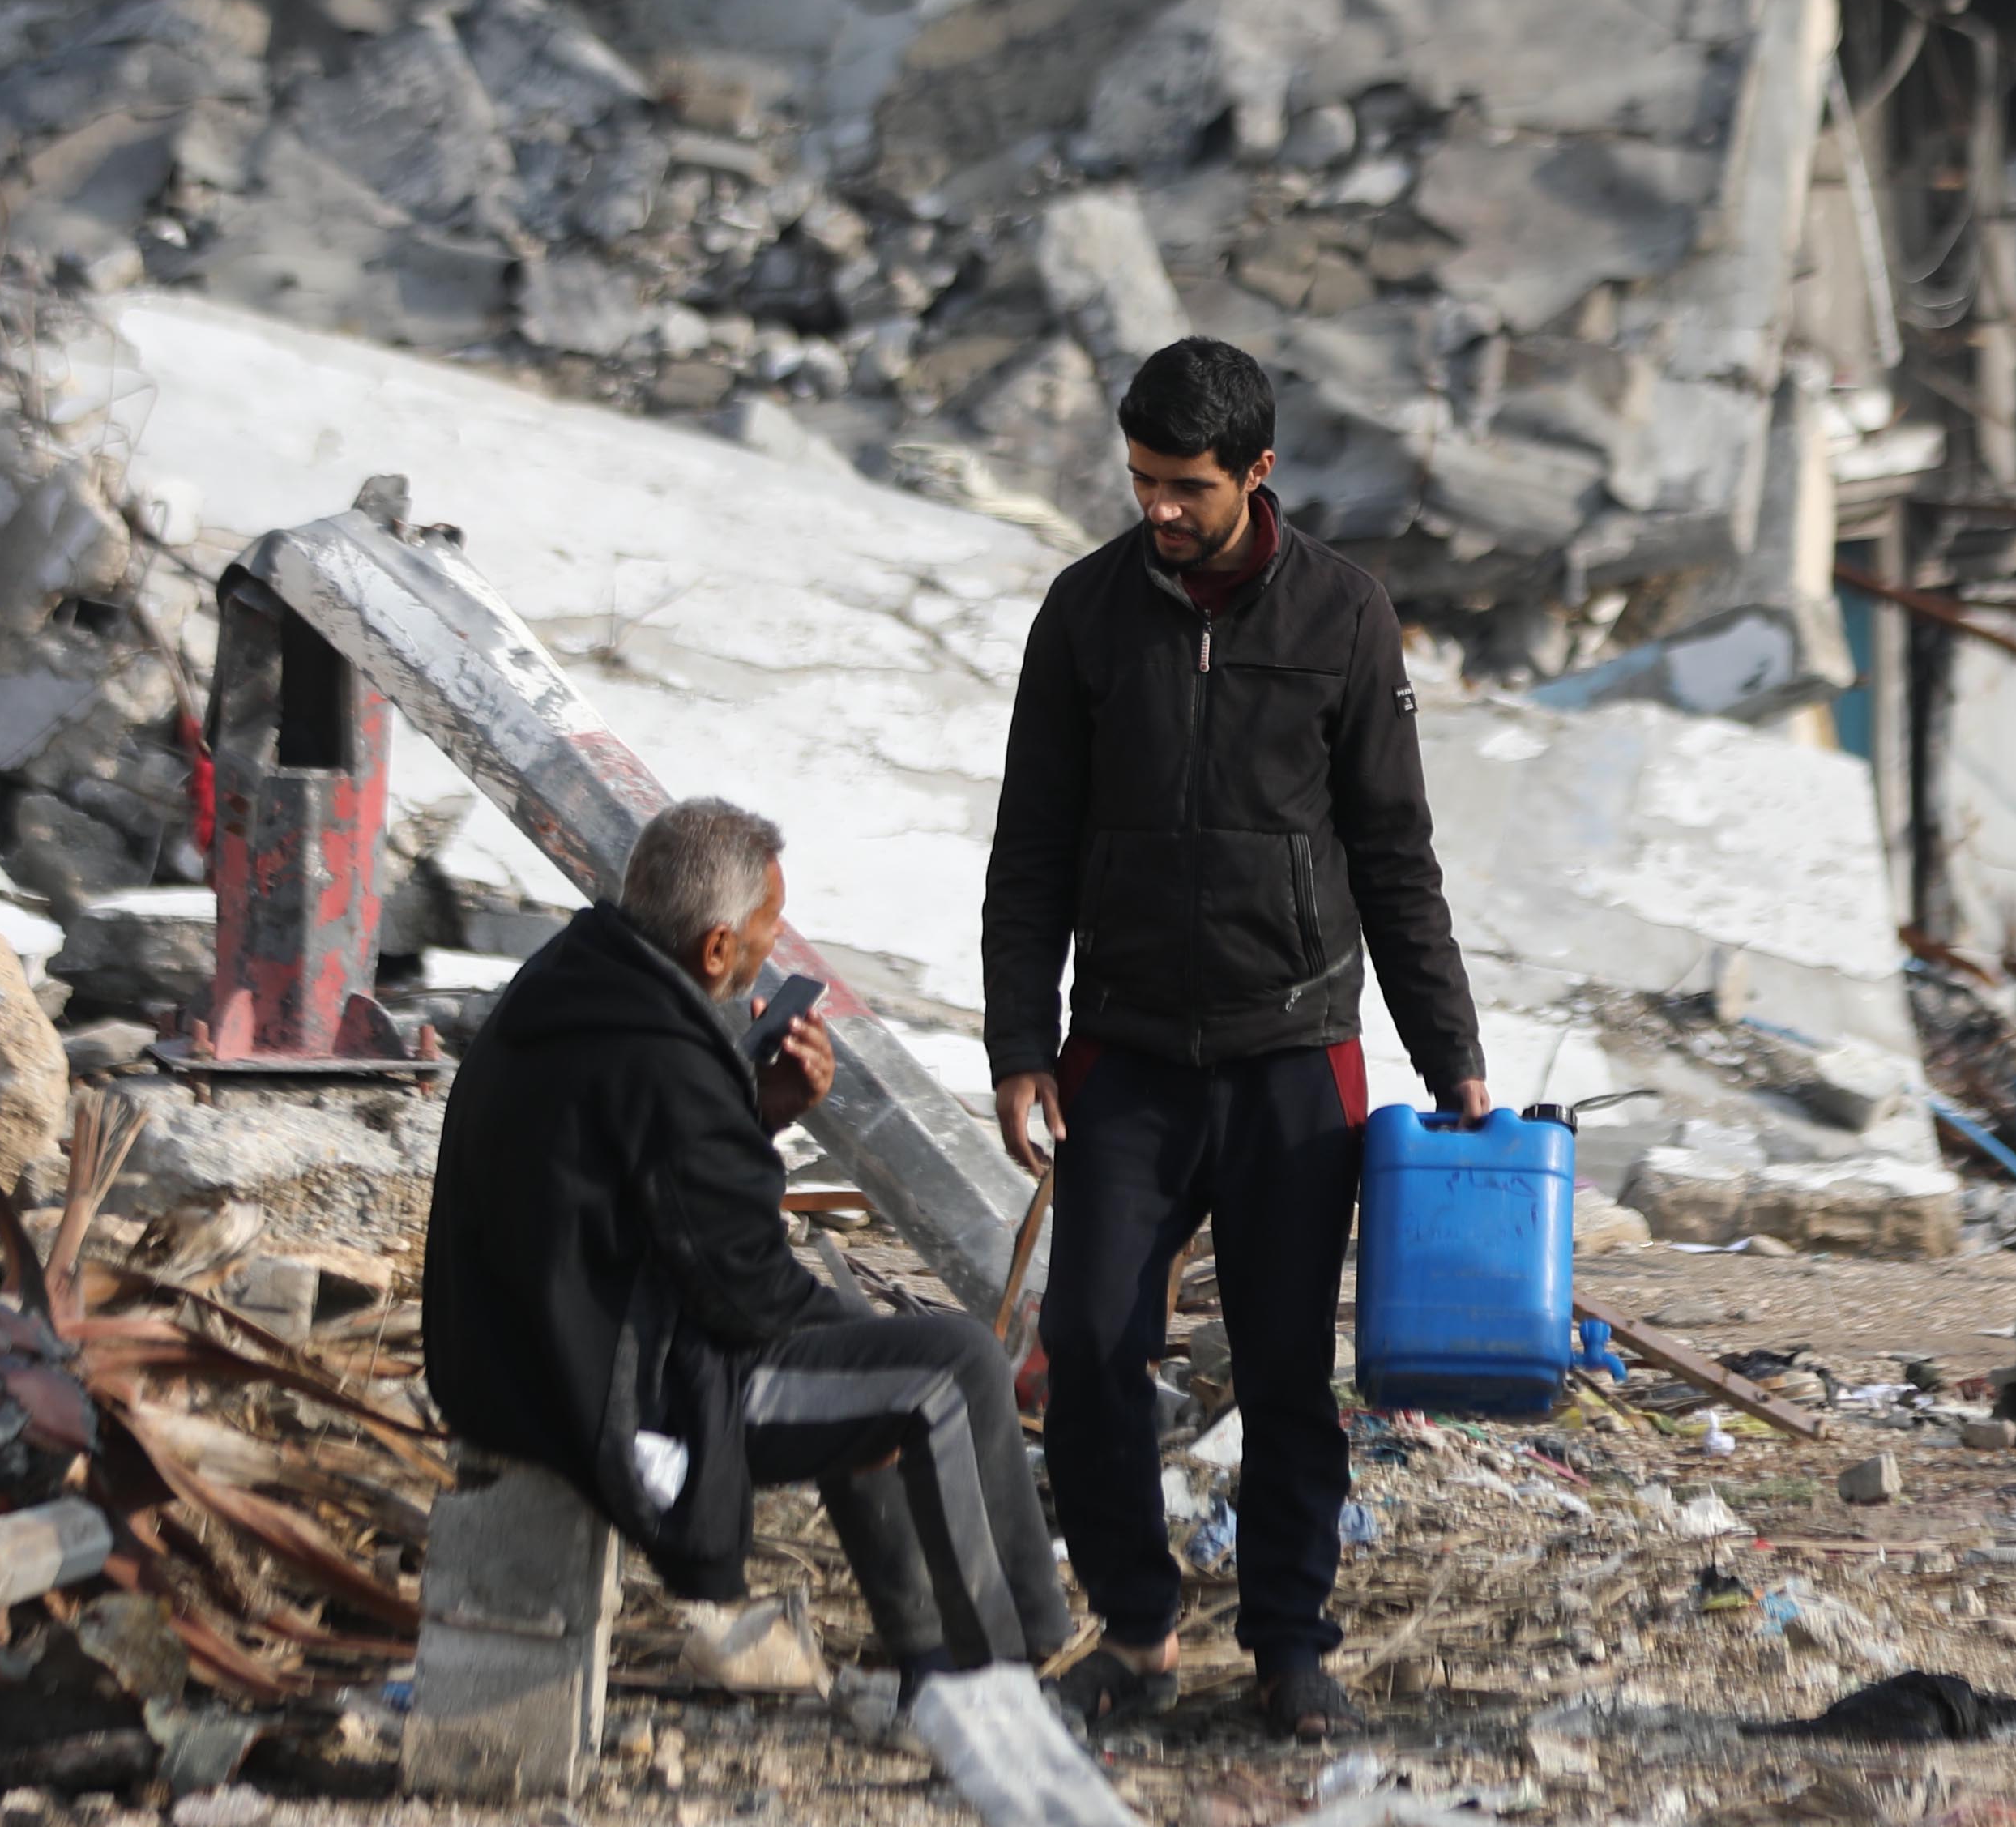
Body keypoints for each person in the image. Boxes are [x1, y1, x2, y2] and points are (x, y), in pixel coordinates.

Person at [981, 337, 1483, 1739]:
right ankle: (1135, 1636)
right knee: (1087, 1344)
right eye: (1140, 480)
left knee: (1282, 1373)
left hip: (1293, 1056)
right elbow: (1029, 853)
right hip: (1124, 1056)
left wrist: (1454, 1058)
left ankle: (1288, 1647)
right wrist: (1020, 1043)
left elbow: (1396, 857)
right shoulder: (1083, 618)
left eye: (1186, 487)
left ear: (1258, 474)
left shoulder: (1345, 616)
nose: (1158, 510)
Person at [423, 797, 1075, 1696]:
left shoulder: (568, 989)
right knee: (947, 1366)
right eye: (769, 932)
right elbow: (748, 1291)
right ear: (717, 949)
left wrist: (758, 1113)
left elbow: (654, 1195)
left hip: (507, 1366)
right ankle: (1002, 1670)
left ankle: (940, 1660)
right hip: (610, 1397)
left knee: (877, 1355)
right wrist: (857, 1331)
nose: (778, 950)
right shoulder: (666, 1062)